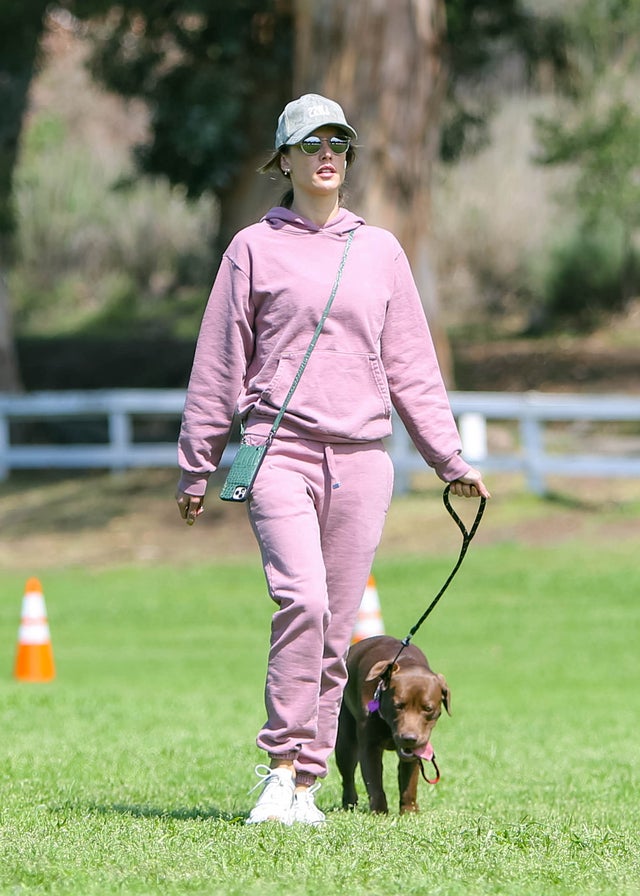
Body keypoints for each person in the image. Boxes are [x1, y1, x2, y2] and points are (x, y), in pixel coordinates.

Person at [176, 94, 490, 826]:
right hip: (276, 451)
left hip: (362, 459)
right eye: (310, 143)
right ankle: (280, 769)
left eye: (339, 143)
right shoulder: (252, 249)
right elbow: (219, 364)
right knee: (304, 603)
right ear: (283, 160)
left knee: (336, 623)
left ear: (347, 158)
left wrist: (450, 459)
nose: (326, 154)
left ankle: (311, 785)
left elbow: (412, 365)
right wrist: (196, 466)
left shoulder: (379, 251)